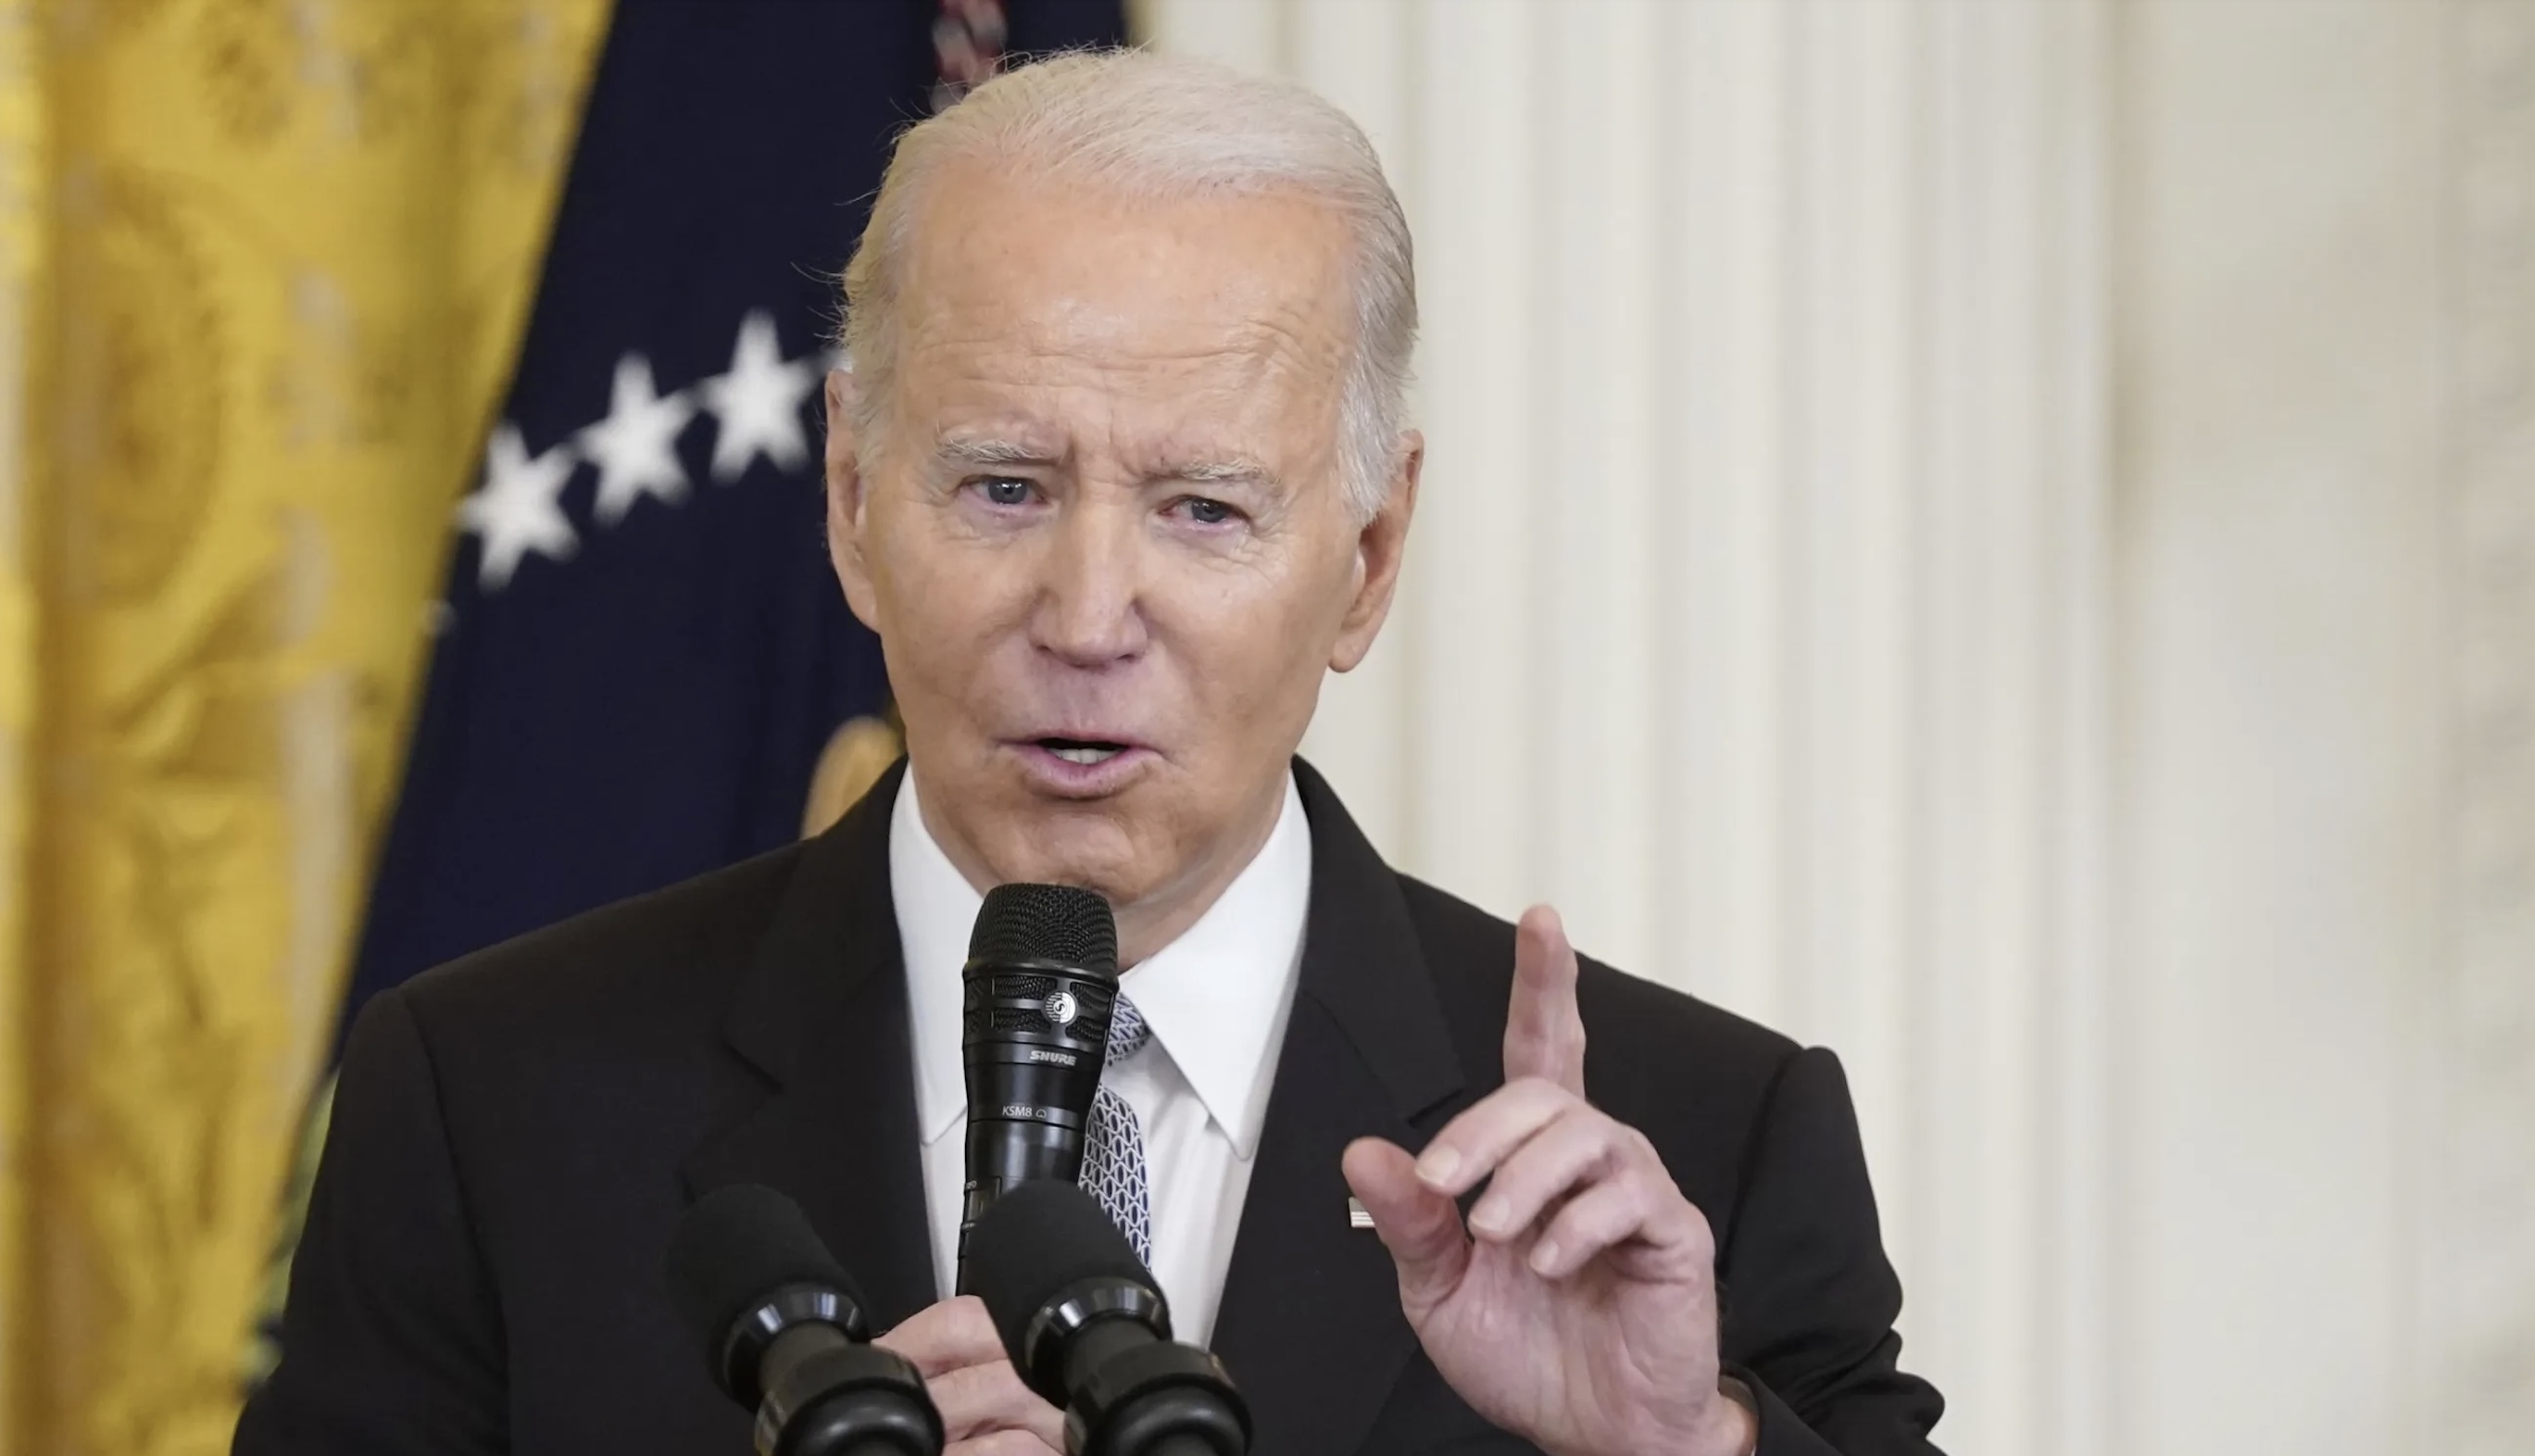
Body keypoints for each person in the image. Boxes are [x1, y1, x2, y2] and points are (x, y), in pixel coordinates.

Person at [235, 50, 1942, 1456]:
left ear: (1364, 557)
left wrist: (1688, 1451)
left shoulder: (1697, 1142)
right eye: (1002, 487)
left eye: (1202, 509)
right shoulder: (492, 1102)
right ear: (849, 504)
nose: (1086, 612)